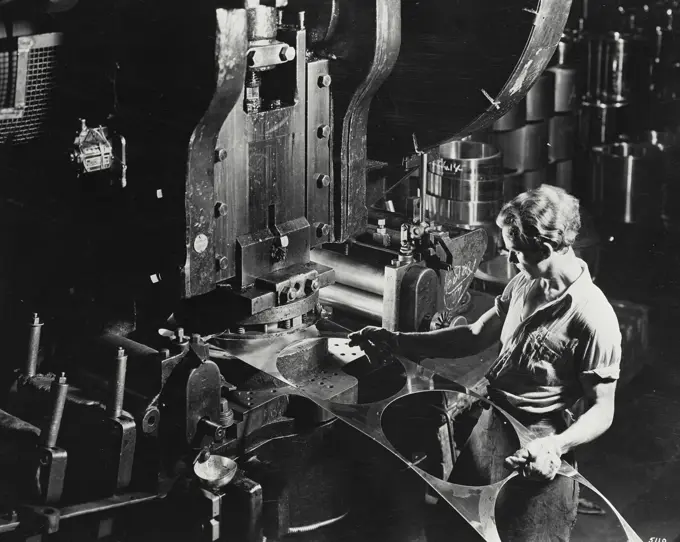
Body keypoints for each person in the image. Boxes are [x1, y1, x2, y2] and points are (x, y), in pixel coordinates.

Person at [348, 185, 622, 541]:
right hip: (491, 429)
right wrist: (398, 342)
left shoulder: (594, 318)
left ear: (546, 247)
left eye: (515, 251)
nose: (510, 260)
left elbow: (603, 409)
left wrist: (556, 446)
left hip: (538, 449)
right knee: (458, 532)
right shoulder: (525, 282)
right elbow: (475, 336)